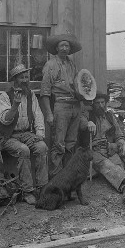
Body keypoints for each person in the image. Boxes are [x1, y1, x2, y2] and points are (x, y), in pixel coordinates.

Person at [0, 64, 48, 205]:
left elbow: (38, 114)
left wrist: (40, 133)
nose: (25, 80)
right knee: (23, 150)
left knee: (42, 147)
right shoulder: (5, 96)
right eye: (21, 77)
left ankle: (43, 188)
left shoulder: (31, 95)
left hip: (27, 133)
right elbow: (5, 120)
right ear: (15, 79)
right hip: (9, 136)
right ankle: (28, 191)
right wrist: (14, 105)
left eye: (27, 77)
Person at [39, 33, 88, 178]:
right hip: (60, 105)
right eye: (62, 46)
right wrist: (49, 113)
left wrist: (84, 95)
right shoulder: (50, 65)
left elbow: (79, 85)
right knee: (58, 144)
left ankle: (68, 177)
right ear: (56, 48)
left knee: (71, 143)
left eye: (67, 46)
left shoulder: (72, 64)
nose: (65, 48)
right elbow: (45, 92)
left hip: (75, 106)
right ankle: (56, 178)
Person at [86, 94, 125, 203]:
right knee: (106, 165)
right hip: (93, 151)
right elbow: (81, 123)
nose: (100, 105)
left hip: (109, 149)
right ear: (93, 104)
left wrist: (123, 143)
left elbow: (119, 135)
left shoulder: (110, 116)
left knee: (117, 163)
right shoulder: (88, 117)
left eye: (103, 102)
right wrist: (87, 123)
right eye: (97, 103)